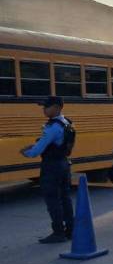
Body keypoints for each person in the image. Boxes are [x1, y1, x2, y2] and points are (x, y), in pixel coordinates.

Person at [20, 96, 75, 243]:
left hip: (52, 167)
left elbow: (38, 149)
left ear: (57, 107)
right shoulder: (67, 123)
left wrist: (26, 152)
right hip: (64, 164)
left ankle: (58, 232)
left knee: (52, 199)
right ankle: (70, 229)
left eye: (46, 107)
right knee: (65, 198)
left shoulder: (53, 127)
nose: (44, 110)